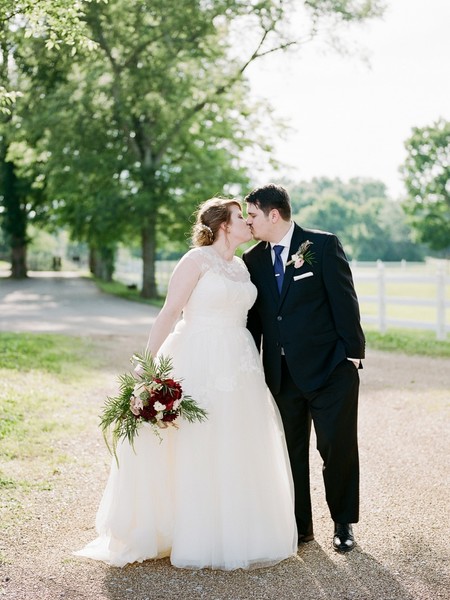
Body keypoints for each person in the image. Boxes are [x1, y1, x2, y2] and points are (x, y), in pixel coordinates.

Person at [74, 197, 297, 570]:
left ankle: (236, 530)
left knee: (235, 441)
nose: (247, 221)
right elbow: (169, 312)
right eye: (240, 216)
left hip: (239, 361)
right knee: (193, 441)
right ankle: (187, 531)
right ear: (224, 224)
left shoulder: (243, 266)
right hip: (198, 356)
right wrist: (147, 365)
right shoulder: (195, 260)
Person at [243, 183, 365, 553]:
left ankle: (343, 524)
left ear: (273, 214)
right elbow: (255, 322)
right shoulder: (253, 261)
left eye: (252, 215)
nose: (249, 223)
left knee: (337, 449)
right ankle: (300, 528)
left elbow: (345, 300)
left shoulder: (322, 246)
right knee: (290, 452)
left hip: (330, 370)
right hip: (282, 376)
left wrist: (352, 354)